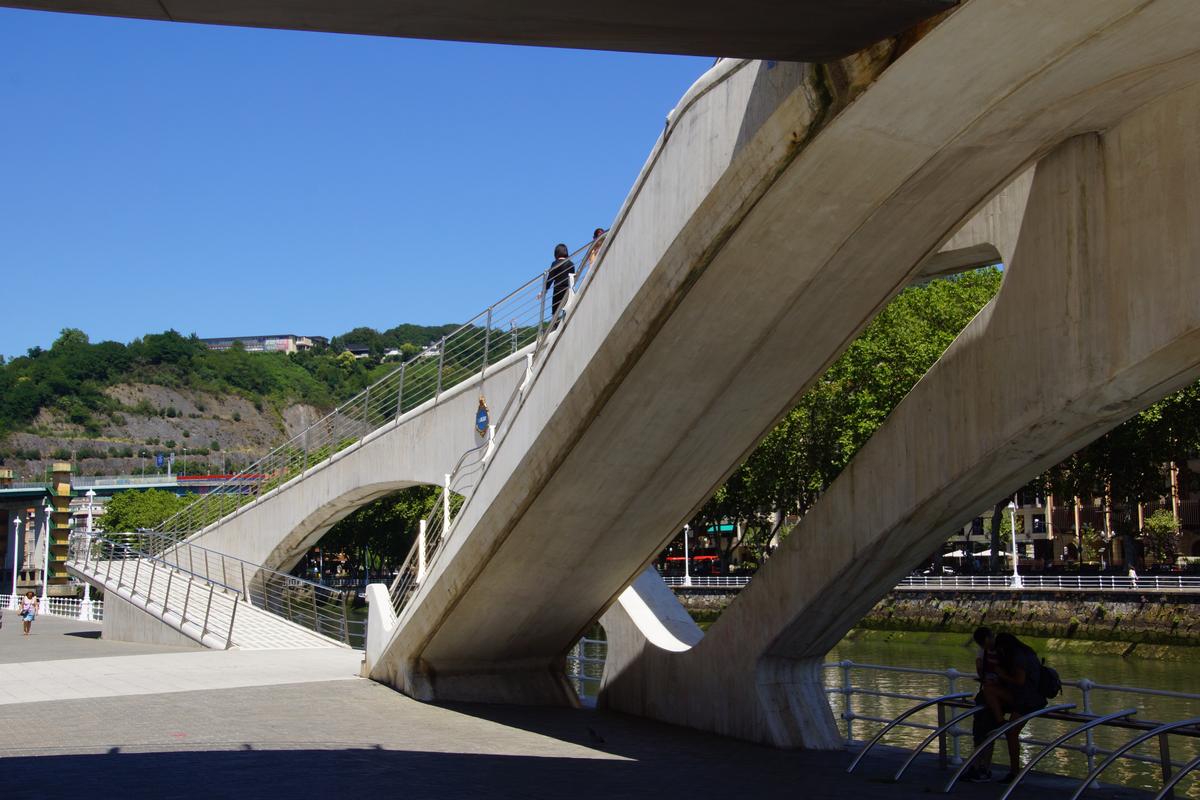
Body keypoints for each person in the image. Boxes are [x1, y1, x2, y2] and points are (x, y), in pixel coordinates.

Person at [966, 632, 1046, 782]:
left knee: (1012, 733)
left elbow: (1020, 681)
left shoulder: (1018, 657)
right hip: (1024, 697)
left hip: (1027, 699)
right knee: (989, 692)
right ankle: (1000, 723)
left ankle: (1015, 772)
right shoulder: (1025, 653)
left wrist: (1002, 675)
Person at [545, 243, 575, 325]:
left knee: (555, 312)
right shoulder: (571, 263)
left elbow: (550, 278)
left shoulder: (555, 263)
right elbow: (573, 278)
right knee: (567, 308)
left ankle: (555, 325)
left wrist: (545, 289)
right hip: (567, 290)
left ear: (556, 253)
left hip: (557, 290)